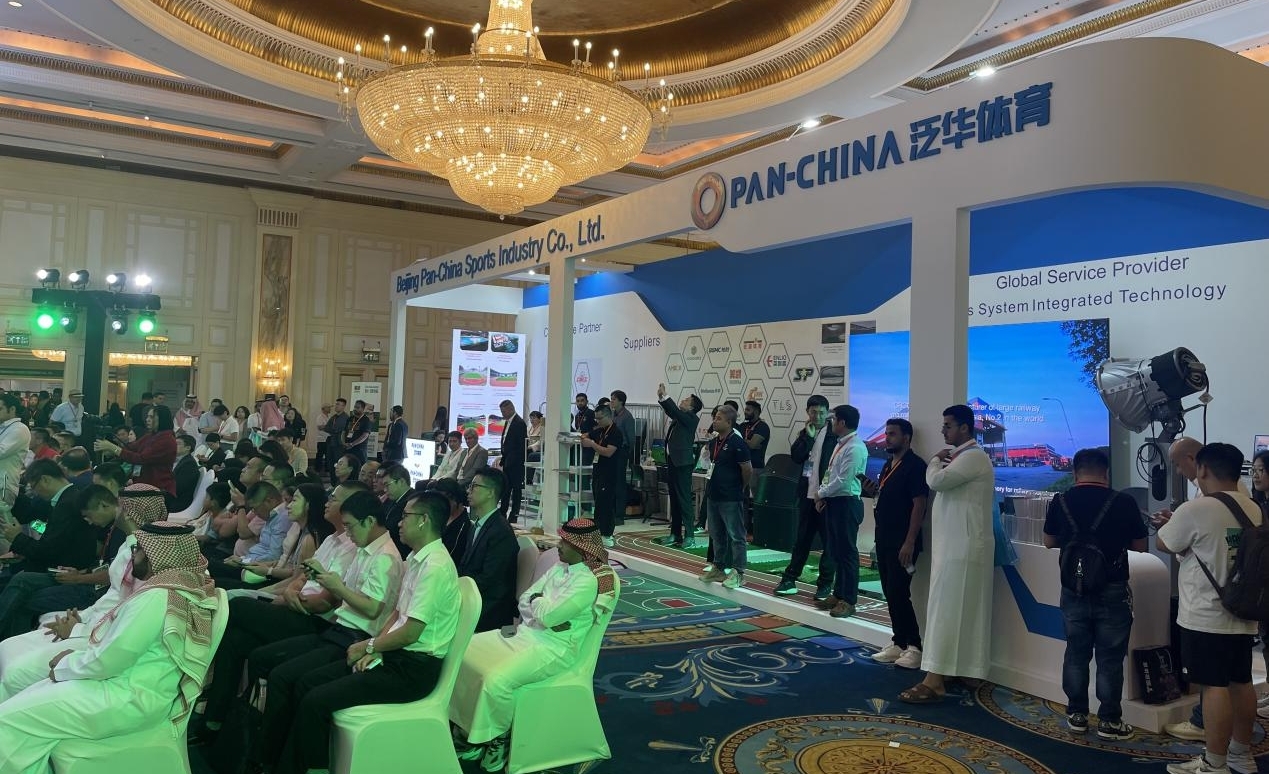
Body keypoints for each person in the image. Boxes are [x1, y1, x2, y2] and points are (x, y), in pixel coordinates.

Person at [0, 522, 219, 774]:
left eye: (139, 550)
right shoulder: (184, 587)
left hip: (125, 697)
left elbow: (110, 660)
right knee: (24, 708)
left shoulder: (156, 597)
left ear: (156, 555)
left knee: (8, 722)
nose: (133, 556)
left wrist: (65, 665)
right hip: (133, 687)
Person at [272, 492, 458, 774]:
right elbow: (397, 615)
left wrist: (369, 647)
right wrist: (377, 647)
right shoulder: (417, 558)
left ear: (423, 520)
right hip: (395, 655)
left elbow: (411, 632)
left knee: (315, 701)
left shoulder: (435, 567)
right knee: (307, 683)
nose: (399, 522)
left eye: (405, 516)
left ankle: (312, 769)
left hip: (413, 671)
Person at [192, 482, 365, 741]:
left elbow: (325, 602)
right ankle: (215, 720)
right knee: (235, 640)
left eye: (336, 499)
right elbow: (302, 577)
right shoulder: (331, 539)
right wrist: (290, 593)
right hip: (295, 605)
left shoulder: (352, 548)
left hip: (314, 621)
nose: (328, 501)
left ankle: (197, 676)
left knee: (234, 605)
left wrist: (289, 597)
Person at [251, 491, 404, 769]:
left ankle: (278, 760)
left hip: (355, 638)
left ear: (370, 521)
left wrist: (336, 587)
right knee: (277, 671)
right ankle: (268, 754)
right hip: (338, 631)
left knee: (291, 679)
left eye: (351, 527)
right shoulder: (365, 551)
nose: (348, 534)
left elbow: (372, 609)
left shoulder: (385, 557)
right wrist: (324, 578)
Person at [453, 518, 616, 773]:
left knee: (497, 681)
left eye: (565, 541)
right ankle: (468, 728)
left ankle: (499, 737)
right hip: (527, 634)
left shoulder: (589, 581)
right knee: (464, 651)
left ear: (582, 548)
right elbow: (525, 599)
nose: (558, 545)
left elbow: (548, 616)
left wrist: (540, 608)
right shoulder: (560, 567)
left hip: (554, 649)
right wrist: (541, 611)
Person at [0, 483, 167, 699]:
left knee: (15, 673)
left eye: (122, 505)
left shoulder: (144, 557)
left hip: (98, 634)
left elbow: (124, 615)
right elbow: (111, 593)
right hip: (92, 619)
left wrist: (77, 628)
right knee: (7, 646)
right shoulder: (129, 544)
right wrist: (82, 617)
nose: (118, 508)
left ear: (128, 511)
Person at [1157, 443, 1263, 774]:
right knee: (1241, 682)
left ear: (1202, 468)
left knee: (1213, 686)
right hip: (1243, 611)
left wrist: (1172, 524)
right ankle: (1240, 755)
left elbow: (1165, 542)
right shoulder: (1252, 507)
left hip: (1205, 614)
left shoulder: (1196, 508)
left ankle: (1214, 762)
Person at [1042, 447, 1148, 739]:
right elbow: (1140, 546)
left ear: (1075, 472)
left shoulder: (1061, 500)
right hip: (1112, 587)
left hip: (1073, 587)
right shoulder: (1123, 502)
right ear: (1106, 473)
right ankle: (1109, 721)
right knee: (1110, 657)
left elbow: (1049, 541)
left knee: (1076, 652)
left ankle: (1077, 714)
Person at [899, 404, 995, 704]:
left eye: (948, 425)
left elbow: (936, 482)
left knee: (947, 610)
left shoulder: (973, 457)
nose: (943, 431)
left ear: (965, 427)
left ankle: (935, 679)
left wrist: (934, 461)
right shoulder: (963, 458)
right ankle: (961, 670)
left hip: (961, 548)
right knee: (957, 609)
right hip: (956, 546)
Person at [863, 418, 929, 670]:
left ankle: (915, 646)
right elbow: (886, 497)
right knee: (889, 592)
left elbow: (919, 505)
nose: (887, 438)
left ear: (906, 438)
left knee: (899, 592)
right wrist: (873, 491)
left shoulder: (915, 466)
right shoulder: (888, 465)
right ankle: (899, 642)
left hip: (903, 541)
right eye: (887, 433)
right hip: (884, 538)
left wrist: (910, 541)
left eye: (892, 434)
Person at [774, 395, 837, 600]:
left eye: (821, 412)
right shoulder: (805, 432)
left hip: (827, 497)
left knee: (829, 543)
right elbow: (796, 457)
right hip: (807, 494)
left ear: (827, 412)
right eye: (813, 412)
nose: (817, 416)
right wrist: (808, 438)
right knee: (802, 539)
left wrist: (827, 494)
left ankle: (825, 584)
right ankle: (790, 579)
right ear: (807, 412)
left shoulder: (835, 434)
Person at [814, 404, 867, 618]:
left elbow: (843, 481)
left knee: (847, 554)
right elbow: (831, 475)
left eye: (834, 419)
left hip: (847, 503)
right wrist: (823, 495)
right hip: (835, 502)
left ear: (842, 422)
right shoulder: (841, 444)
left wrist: (820, 493)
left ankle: (849, 600)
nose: (831, 423)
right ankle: (838, 594)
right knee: (836, 551)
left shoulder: (855, 447)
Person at [457, 467, 518, 632]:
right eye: (469, 486)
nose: (468, 491)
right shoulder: (477, 524)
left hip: (489, 608)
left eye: (474, 486)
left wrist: (457, 592)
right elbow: (465, 566)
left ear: (491, 493)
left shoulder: (501, 532)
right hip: (472, 595)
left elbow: (491, 580)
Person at [699, 404, 752, 590]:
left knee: (736, 535)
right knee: (716, 534)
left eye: (719, 418)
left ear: (729, 422)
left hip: (730, 496)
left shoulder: (738, 443)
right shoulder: (714, 442)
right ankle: (719, 567)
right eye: (714, 418)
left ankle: (739, 572)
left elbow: (747, 470)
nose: (714, 421)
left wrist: (740, 487)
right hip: (714, 494)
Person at [94, 404, 178, 499]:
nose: (147, 420)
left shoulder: (166, 440)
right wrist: (111, 450)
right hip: (145, 486)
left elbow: (141, 458)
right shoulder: (152, 435)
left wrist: (113, 448)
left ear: (162, 419)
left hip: (158, 489)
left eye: (151, 417)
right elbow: (132, 448)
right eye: (147, 417)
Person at [656, 384, 702, 548]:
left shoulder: (691, 418)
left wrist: (666, 396)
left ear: (692, 407)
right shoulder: (680, 417)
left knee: (684, 499)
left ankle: (689, 535)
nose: (683, 400)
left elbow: (674, 410)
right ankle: (675, 533)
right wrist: (662, 398)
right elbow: (671, 411)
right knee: (674, 498)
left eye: (686, 400)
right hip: (673, 461)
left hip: (682, 463)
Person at [581, 405, 626, 547]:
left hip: (609, 473)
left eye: (600, 418)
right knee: (598, 503)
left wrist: (592, 444)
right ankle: (598, 532)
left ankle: (607, 534)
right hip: (598, 471)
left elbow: (608, 452)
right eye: (596, 418)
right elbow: (587, 435)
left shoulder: (616, 433)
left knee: (606, 504)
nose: (597, 421)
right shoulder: (600, 430)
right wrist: (585, 437)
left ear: (608, 416)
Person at [0, 393, 31, 533]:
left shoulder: (19, 429)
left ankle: (10, 547)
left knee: (3, 528)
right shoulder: (3, 427)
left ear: (12, 409)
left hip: (4, 484)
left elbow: (1, 451)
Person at [740, 400, 770, 529]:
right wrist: (747, 442)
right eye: (745, 409)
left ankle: (760, 529)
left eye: (748, 410)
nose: (745, 412)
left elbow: (753, 445)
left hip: (756, 468)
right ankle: (743, 528)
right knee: (742, 499)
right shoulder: (743, 426)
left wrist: (743, 441)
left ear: (756, 411)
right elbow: (748, 443)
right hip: (742, 467)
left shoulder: (762, 426)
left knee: (758, 501)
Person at [497, 400, 527, 522]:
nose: (502, 414)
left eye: (504, 411)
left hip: (516, 463)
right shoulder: (508, 422)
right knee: (506, 488)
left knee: (516, 489)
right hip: (507, 461)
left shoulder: (519, 423)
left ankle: (514, 514)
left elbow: (521, 446)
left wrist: (514, 460)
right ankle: (503, 511)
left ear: (511, 409)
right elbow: (506, 441)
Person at [171, 434, 202, 514]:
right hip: (171, 498)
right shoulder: (182, 461)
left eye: (178, 444)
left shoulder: (189, 464)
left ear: (188, 448)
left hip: (176, 503)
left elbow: (177, 488)